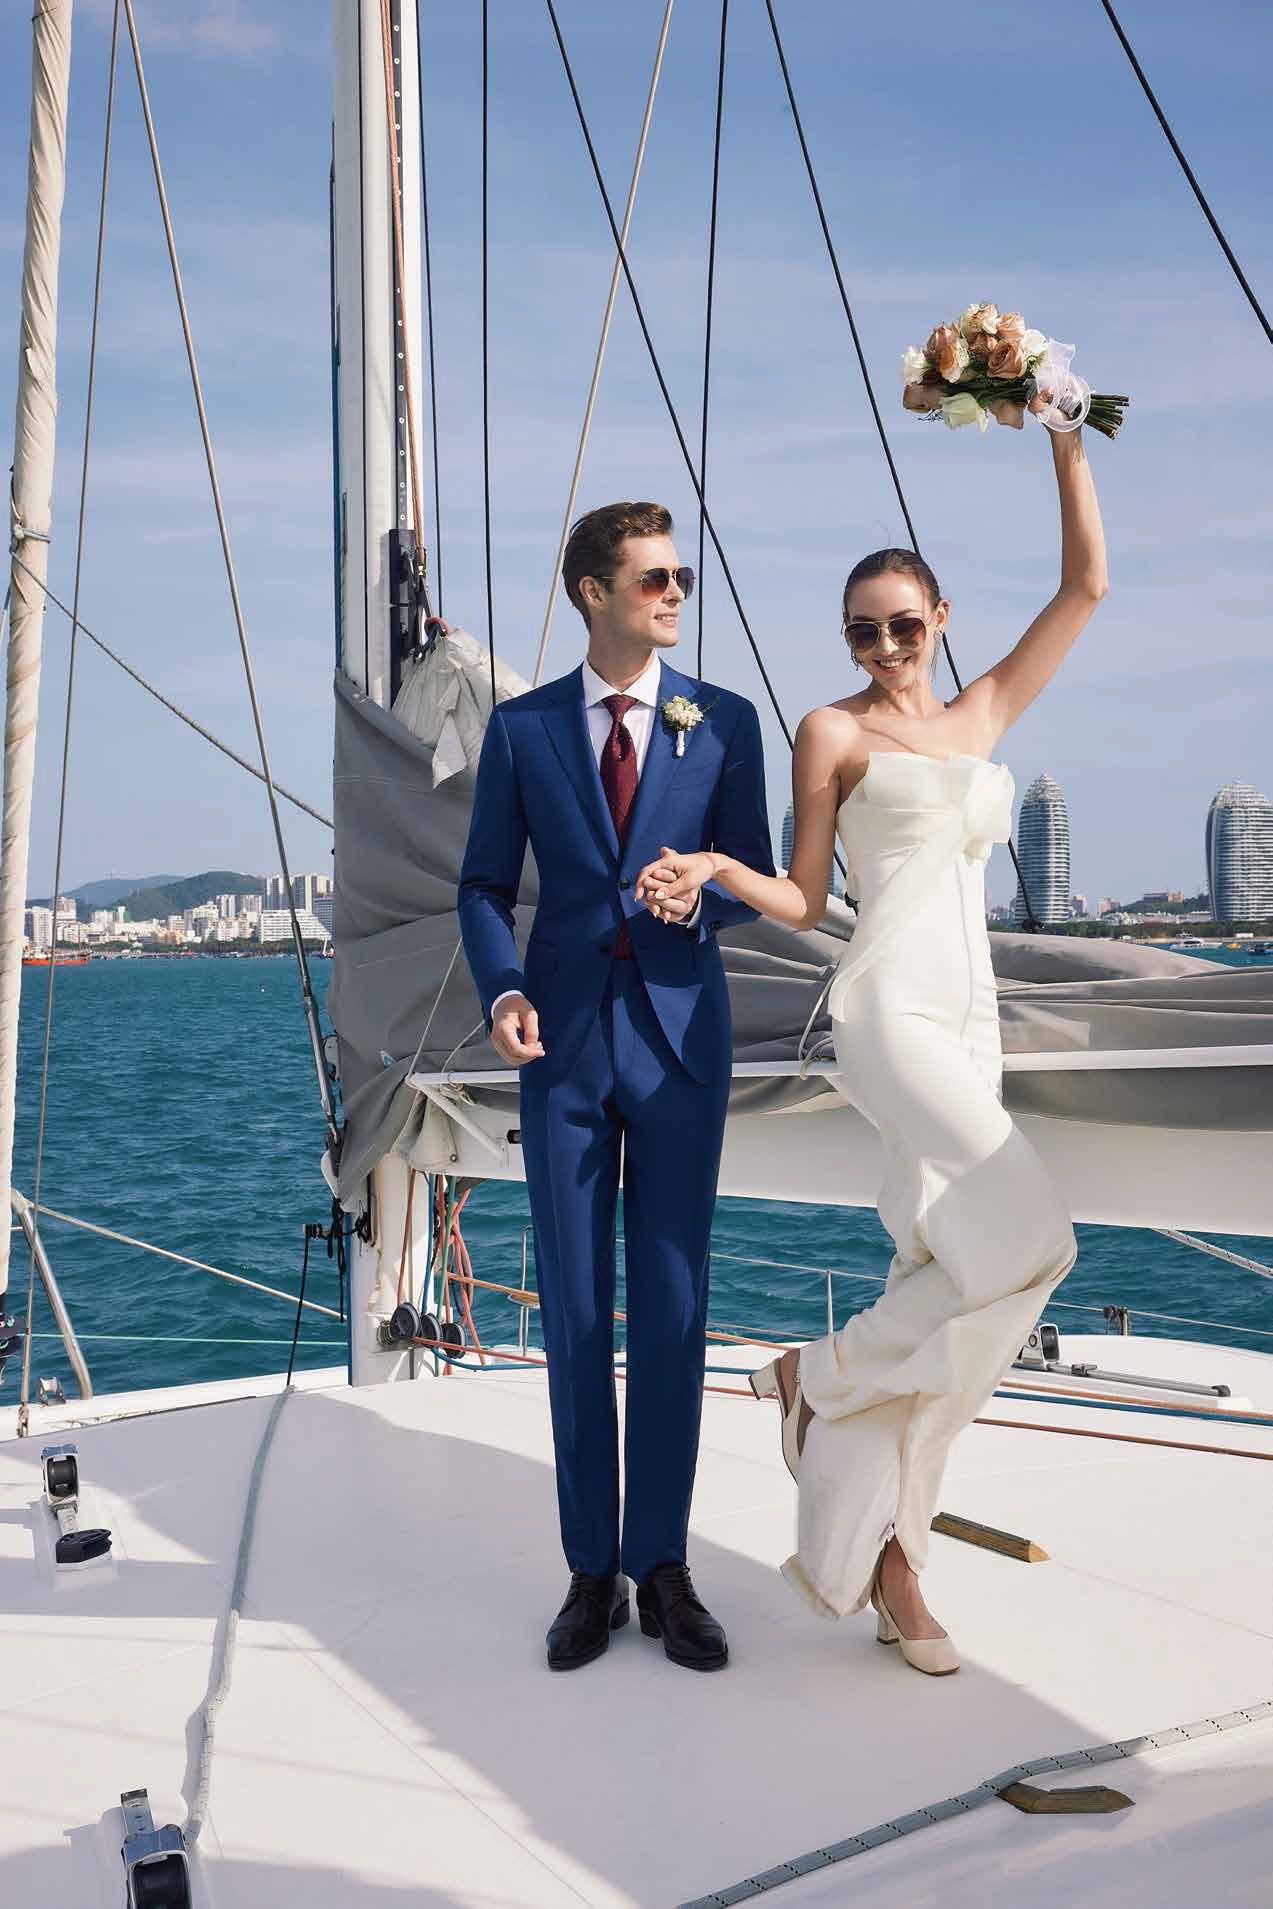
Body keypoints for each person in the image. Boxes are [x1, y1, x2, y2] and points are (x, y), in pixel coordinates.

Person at [637, 413, 1106, 1674]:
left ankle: (887, 1554)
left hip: (972, 1016)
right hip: (889, 1007)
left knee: (945, 1277)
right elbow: (802, 894)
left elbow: (1086, 585)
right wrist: (718, 867)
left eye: (903, 622)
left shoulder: (982, 711)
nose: (885, 644)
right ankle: (825, 1367)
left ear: (940, 617)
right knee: (1037, 1242)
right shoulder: (829, 732)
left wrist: (1063, 437)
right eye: (862, 628)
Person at [458, 500, 774, 1672]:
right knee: (581, 1316)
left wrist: (710, 888)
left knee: (678, 1312)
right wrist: (500, 993)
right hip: (563, 1052)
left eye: (678, 576)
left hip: (684, 1043)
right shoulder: (525, 729)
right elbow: (484, 885)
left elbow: (759, 875)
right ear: (590, 591)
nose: (673, 594)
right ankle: (589, 1570)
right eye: (650, 578)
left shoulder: (722, 721)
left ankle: (665, 1567)